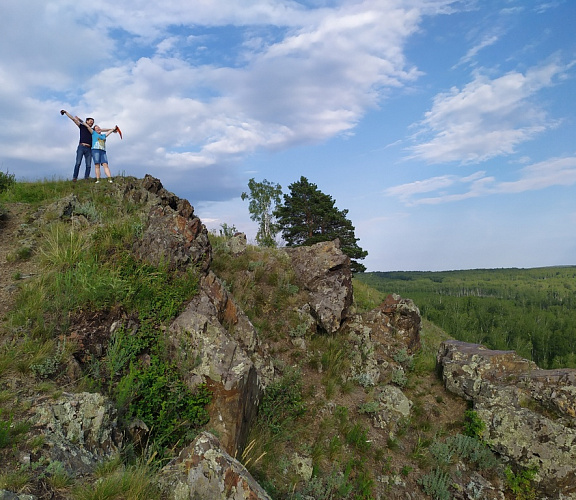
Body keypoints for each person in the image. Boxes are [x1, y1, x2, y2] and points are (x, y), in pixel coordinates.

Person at [60, 110, 112, 182]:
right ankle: (75, 178)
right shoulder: (82, 126)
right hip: (81, 146)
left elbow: (102, 130)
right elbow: (73, 119)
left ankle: (86, 178)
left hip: (89, 148)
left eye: (93, 122)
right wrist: (66, 112)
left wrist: (112, 129)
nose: (92, 122)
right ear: (86, 121)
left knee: (88, 165)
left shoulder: (93, 130)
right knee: (78, 163)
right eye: (90, 121)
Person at [78, 119, 118, 183]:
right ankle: (98, 179)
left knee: (105, 164)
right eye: (96, 128)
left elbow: (109, 131)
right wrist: (81, 121)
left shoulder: (103, 135)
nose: (98, 129)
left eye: (99, 128)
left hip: (103, 151)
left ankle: (110, 179)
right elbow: (87, 126)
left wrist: (114, 128)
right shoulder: (93, 133)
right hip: (95, 150)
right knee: (97, 165)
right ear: (94, 130)